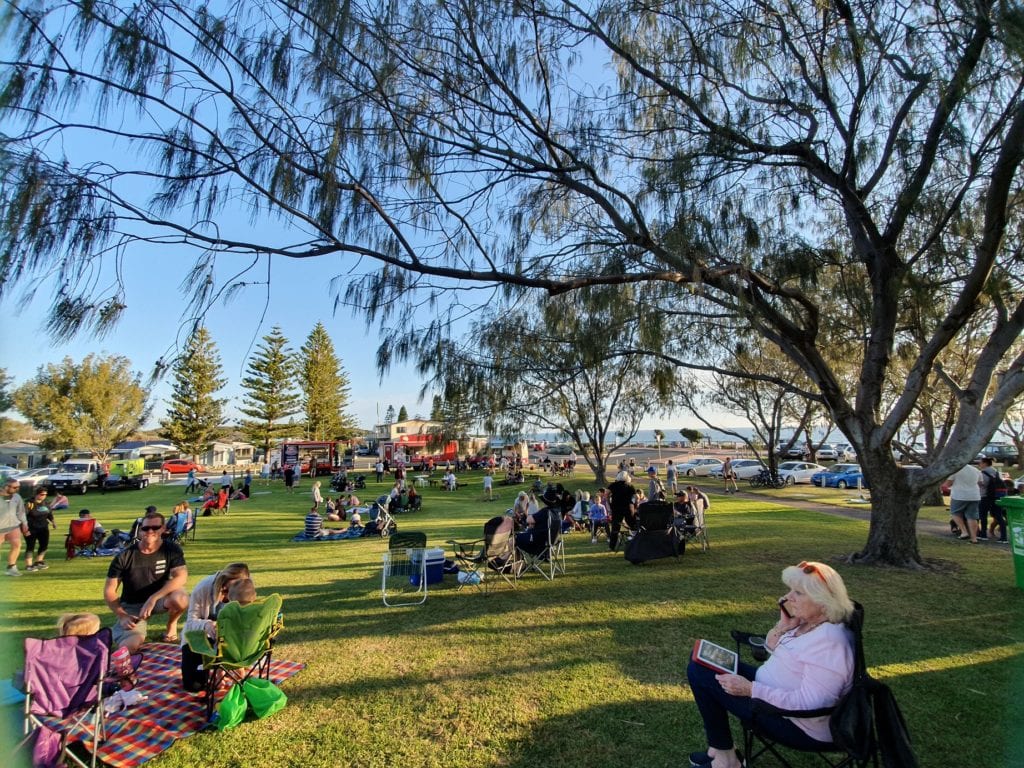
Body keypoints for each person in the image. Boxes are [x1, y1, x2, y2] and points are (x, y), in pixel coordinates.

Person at [686, 561, 856, 768]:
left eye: (799, 593)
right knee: (702, 663)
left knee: (701, 674)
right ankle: (720, 749)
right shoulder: (810, 622)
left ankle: (725, 758)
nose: (789, 597)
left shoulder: (830, 643)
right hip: (772, 694)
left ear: (823, 602)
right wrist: (783, 626)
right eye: (790, 590)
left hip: (797, 723)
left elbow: (810, 704)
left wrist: (750, 689)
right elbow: (777, 651)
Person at [104, 508, 188, 651]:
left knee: (181, 598)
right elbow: (109, 591)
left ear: (163, 529)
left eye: (155, 527)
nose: (150, 531)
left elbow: (181, 577)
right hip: (132, 605)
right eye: (146, 528)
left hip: (159, 600)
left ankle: (171, 625)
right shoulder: (124, 556)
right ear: (140, 530)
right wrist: (122, 615)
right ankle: (117, 647)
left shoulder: (171, 549)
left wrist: (153, 598)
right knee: (131, 645)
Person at [180, 562, 250, 692]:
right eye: (225, 590)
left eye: (231, 592)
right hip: (199, 638)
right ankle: (215, 669)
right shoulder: (203, 588)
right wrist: (206, 624)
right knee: (194, 686)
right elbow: (190, 622)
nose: (227, 595)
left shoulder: (245, 591)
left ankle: (225, 667)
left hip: (227, 641)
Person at [948, 462, 983, 543]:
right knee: (972, 516)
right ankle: (974, 538)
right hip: (974, 495)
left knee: (955, 513)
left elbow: (948, 483)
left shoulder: (955, 470)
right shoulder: (975, 470)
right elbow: (980, 482)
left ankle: (964, 532)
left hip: (959, 495)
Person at [24, 487, 56, 572]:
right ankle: (29, 565)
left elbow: (49, 514)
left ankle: (39, 561)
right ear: (36, 494)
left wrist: (53, 522)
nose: (44, 496)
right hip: (31, 528)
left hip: (43, 527)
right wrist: (24, 528)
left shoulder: (46, 503)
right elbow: (23, 516)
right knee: (30, 546)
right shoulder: (29, 504)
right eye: (42, 494)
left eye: (45, 494)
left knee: (44, 545)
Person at [2, 478, 28, 576]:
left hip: (13, 525)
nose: (17, 489)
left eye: (18, 487)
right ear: (6, 486)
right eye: (15, 487)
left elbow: (21, 512)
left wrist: (24, 523)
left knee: (17, 545)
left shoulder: (17, 497)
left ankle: (11, 567)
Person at [607, 471, 637, 550]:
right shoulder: (630, 486)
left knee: (615, 528)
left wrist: (609, 503)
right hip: (628, 508)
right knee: (633, 525)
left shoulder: (613, 485)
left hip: (616, 508)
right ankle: (636, 542)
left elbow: (607, 494)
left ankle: (612, 547)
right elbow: (636, 497)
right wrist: (634, 505)